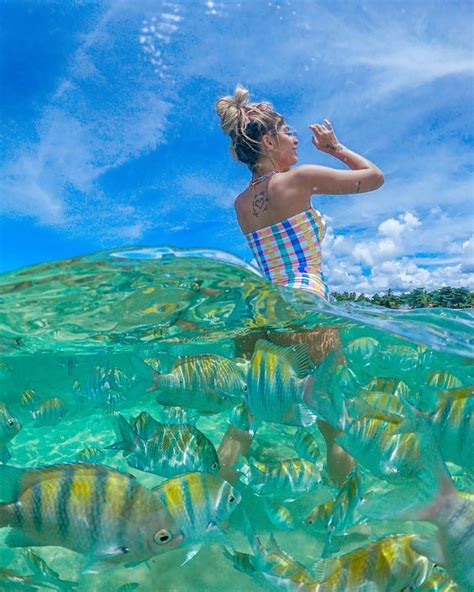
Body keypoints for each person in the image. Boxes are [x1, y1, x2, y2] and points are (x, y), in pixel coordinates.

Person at [214, 86, 384, 486]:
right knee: (335, 421)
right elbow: (374, 178)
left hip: (259, 311)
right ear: (269, 141)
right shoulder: (300, 179)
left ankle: (215, 495)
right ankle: (341, 521)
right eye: (288, 132)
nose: (295, 140)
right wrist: (336, 147)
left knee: (245, 418)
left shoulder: (240, 203)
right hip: (306, 303)